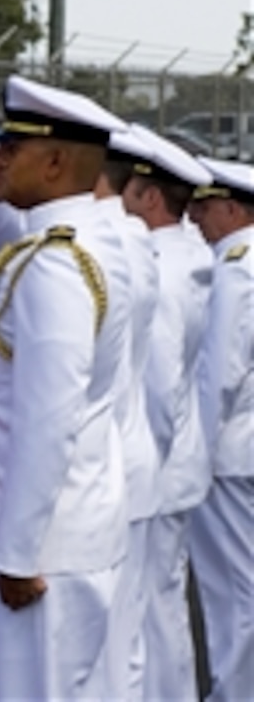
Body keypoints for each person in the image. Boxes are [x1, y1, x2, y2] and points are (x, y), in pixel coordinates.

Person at [0, 75, 133, 700]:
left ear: (57, 163)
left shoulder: (56, 264)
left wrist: (17, 553)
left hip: (41, 548)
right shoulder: (89, 242)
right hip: (70, 529)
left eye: (13, 149)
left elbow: (48, 417)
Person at [118, 126, 213, 701]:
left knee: (146, 612)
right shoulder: (189, 253)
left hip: (155, 468)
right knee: (162, 606)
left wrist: (138, 468)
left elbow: (157, 385)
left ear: (150, 196)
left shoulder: (162, 268)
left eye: (126, 187)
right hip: (177, 462)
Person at [95, 128, 162, 697]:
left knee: (104, 644)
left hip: (104, 462)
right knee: (126, 637)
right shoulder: (136, 243)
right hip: (131, 451)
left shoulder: (101, 249)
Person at [186, 156, 254, 702]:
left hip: (230, 454)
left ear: (234, 210)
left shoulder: (236, 268)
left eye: (205, 209)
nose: (198, 220)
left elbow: (219, 375)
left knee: (233, 592)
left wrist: (195, 457)